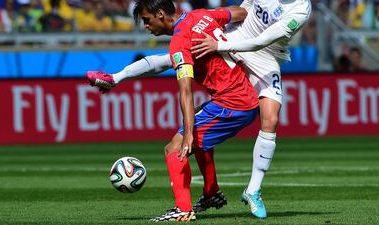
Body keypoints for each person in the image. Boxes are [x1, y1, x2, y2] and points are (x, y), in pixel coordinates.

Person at [88, 0, 312, 220]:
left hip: (242, 91)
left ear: (160, 14)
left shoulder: (181, 39)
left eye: (146, 20)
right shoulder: (201, 16)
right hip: (236, 84)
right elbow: (240, 13)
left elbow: (185, 90)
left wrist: (188, 134)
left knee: (174, 149)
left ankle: (185, 209)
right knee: (194, 113)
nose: (145, 26)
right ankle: (211, 192)